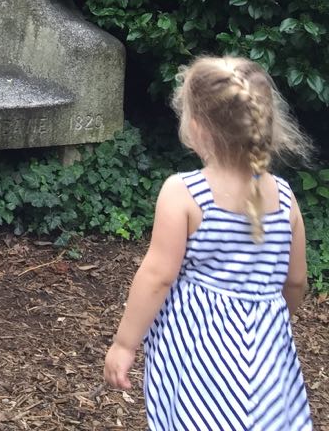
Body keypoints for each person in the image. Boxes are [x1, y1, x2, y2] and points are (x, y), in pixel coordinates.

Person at [103, 55, 313, 430]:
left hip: (198, 350)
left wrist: (124, 344)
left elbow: (157, 276)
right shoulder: (284, 197)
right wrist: (273, 318)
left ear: (197, 129)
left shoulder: (185, 193)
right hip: (267, 350)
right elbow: (296, 281)